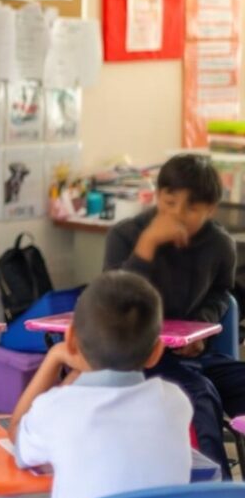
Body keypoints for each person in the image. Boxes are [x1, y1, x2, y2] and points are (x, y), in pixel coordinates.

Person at [104, 154, 245, 477]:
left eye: (191, 208)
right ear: (157, 196)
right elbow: (114, 301)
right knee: (199, 395)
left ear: (211, 209)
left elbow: (220, 293)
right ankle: (215, 497)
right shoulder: (125, 236)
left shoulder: (219, 245)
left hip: (194, 356)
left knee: (210, 384)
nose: (177, 214)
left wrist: (201, 328)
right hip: (137, 359)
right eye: (169, 203)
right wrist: (147, 246)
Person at [9, 272, 192, 498]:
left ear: (70, 339)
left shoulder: (57, 409)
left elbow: (17, 437)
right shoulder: (175, 401)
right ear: (156, 351)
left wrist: (54, 357)